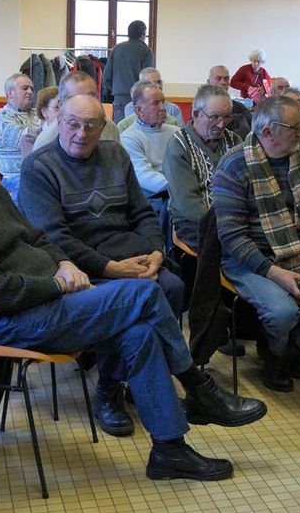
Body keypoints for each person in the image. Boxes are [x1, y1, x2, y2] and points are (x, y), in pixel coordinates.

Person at [0, 104, 266, 482]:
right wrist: (54, 283)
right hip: (13, 320)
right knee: (146, 294)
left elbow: (37, 237)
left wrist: (63, 263)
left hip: (53, 299)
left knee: (141, 332)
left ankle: (169, 449)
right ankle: (200, 389)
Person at [20, 94, 189, 436]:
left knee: (173, 285)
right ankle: (109, 389)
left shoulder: (115, 154)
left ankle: (138, 380)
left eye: (91, 126)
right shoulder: (39, 167)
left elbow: (142, 212)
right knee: (134, 298)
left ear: (103, 128)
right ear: (58, 123)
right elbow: (54, 238)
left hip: (132, 254)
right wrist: (110, 267)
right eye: (73, 124)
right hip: (81, 266)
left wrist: (157, 251)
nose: (81, 134)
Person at [212, 96, 300, 392]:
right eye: (295, 127)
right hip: (251, 260)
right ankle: (275, 355)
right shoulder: (234, 165)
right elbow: (232, 238)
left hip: (298, 251)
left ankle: (296, 347)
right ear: (267, 132)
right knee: (282, 312)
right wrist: (277, 274)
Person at [164, 84, 242, 251]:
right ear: (197, 114)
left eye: (227, 117)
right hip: (194, 222)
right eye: (214, 117)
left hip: (235, 219)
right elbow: (187, 203)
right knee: (232, 247)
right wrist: (225, 225)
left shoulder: (234, 140)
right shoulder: (178, 145)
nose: (222, 125)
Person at [119, 80, 179, 240]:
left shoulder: (176, 132)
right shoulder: (129, 137)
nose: (162, 108)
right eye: (156, 103)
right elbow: (144, 176)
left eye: (163, 102)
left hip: (178, 191)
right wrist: (180, 188)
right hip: (152, 197)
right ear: (139, 110)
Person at [33, 71, 120, 151]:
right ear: (60, 104)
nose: (84, 104)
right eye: (76, 99)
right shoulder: (45, 143)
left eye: (90, 97)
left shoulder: (109, 127)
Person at [0, 73, 41, 203]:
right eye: (25, 88)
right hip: (15, 177)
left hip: (40, 173)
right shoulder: (0, 117)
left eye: (32, 89)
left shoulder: (37, 113)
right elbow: (27, 141)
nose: (30, 92)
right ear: (10, 93)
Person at [101, 20, 154, 122]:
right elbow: (148, 79)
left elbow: (105, 78)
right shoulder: (146, 51)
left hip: (119, 99)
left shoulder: (117, 49)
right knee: (138, 133)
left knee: (120, 133)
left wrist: (116, 90)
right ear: (143, 34)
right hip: (140, 100)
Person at [119, 67, 184, 131]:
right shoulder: (130, 108)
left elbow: (182, 132)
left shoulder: (173, 109)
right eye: (153, 83)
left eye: (159, 82)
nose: (158, 86)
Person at [208, 64, 252, 136]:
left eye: (226, 79)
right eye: (218, 78)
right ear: (209, 82)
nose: (223, 82)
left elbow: (251, 131)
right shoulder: (200, 106)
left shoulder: (239, 108)